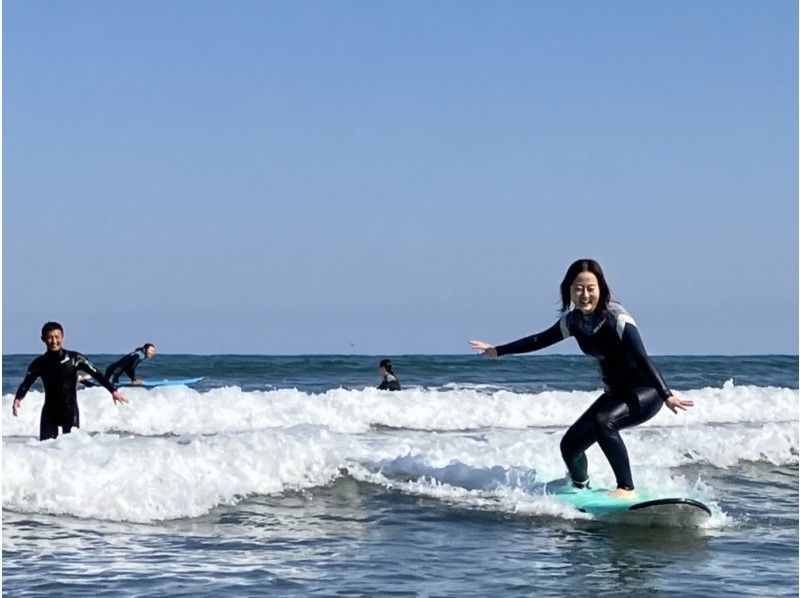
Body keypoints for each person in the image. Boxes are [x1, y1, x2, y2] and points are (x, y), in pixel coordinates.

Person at [470, 259, 693, 498]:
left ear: (601, 289)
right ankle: (580, 486)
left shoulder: (617, 318)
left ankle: (626, 488)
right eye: (578, 288)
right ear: (569, 290)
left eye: (590, 288)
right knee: (570, 446)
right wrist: (498, 350)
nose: (584, 294)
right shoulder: (573, 321)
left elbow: (642, 357)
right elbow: (540, 340)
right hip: (615, 393)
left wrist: (666, 395)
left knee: (602, 421)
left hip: (646, 391)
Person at [12, 322, 128, 441]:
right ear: (43, 339)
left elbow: (97, 374)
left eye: (57, 337)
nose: (54, 341)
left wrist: (113, 391)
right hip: (49, 413)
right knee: (45, 450)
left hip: (70, 412)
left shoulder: (75, 358)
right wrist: (18, 398)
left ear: (63, 337)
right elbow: (26, 383)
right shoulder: (39, 363)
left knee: (72, 450)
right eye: (50, 337)